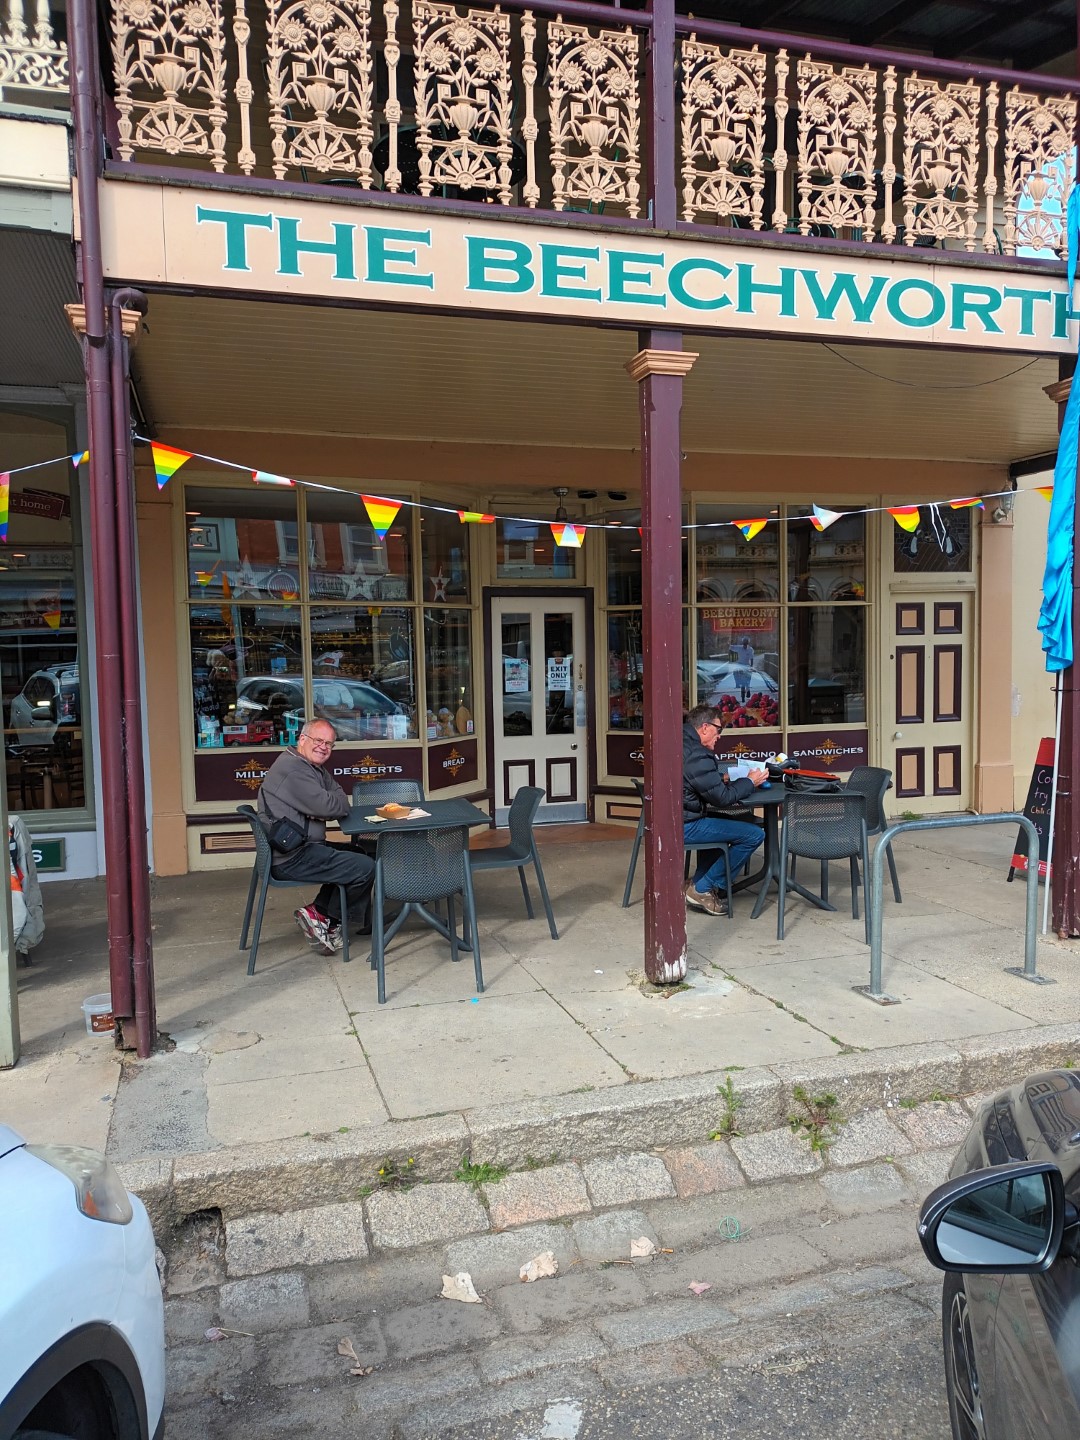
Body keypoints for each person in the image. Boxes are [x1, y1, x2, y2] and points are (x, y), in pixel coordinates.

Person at [258, 717, 374, 954]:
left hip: (302, 848)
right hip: (292, 857)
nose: (323, 747)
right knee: (365, 867)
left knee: (358, 853)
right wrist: (327, 805)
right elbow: (331, 806)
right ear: (302, 739)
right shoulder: (293, 769)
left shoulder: (310, 766)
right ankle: (324, 917)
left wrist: (329, 803)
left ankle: (321, 915)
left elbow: (339, 797)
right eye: (318, 740)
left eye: (329, 744)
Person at [683, 703, 768, 916]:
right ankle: (704, 888)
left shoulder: (680, 742)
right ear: (705, 727)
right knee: (754, 835)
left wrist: (722, 778)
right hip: (684, 825)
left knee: (721, 824)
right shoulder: (698, 754)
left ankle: (697, 884)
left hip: (672, 818)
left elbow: (693, 780)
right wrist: (750, 781)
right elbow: (723, 798)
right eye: (718, 730)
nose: (719, 736)